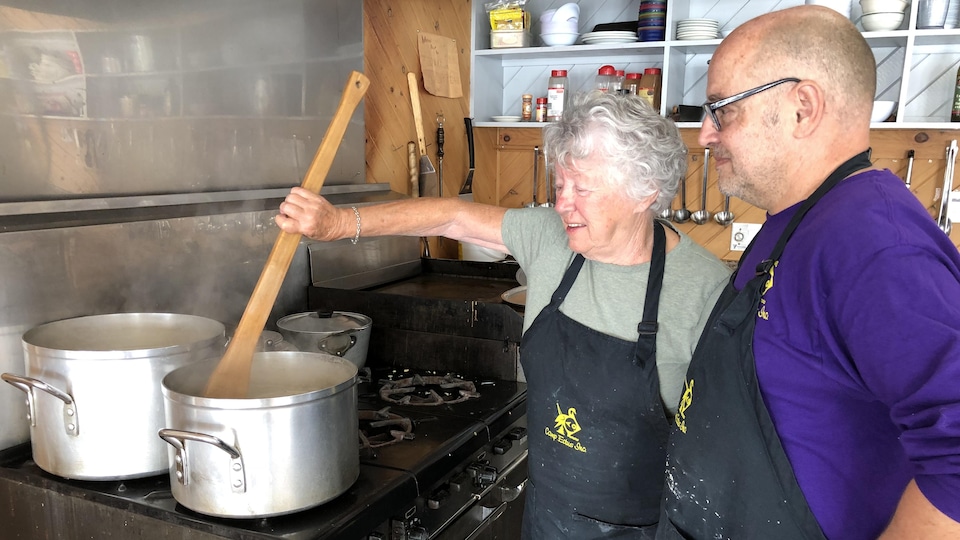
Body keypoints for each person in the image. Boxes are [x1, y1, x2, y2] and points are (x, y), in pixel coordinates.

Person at [276, 91, 730, 539]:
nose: (562, 204)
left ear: (644, 192)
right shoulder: (549, 240)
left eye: (583, 188)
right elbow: (451, 217)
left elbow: (725, 452)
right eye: (560, 184)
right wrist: (338, 224)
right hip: (548, 518)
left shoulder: (704, 290)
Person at [658, 5, 960, 540]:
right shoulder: (797, 219)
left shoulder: (875, 245)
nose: (704, 134)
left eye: (721, 110)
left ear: (802, 107)